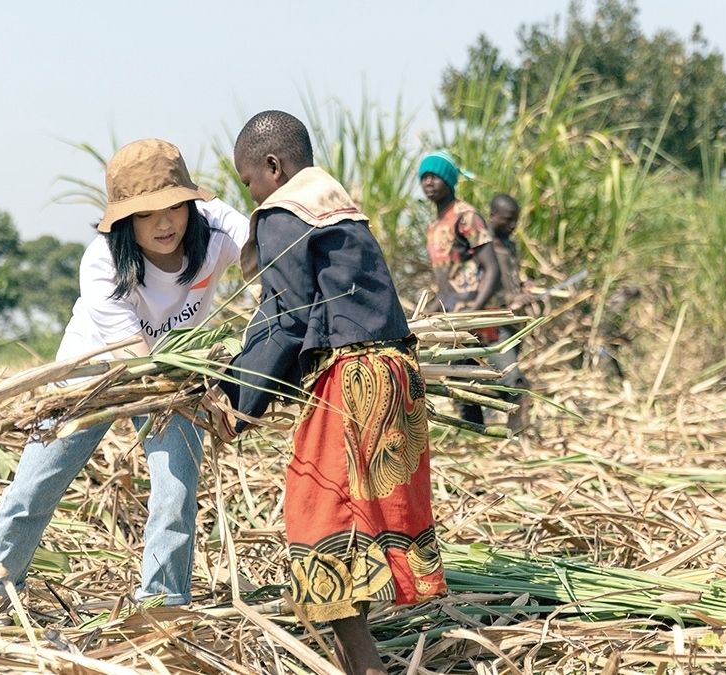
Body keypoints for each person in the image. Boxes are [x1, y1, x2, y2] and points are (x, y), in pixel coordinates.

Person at [0, 139, 249, 624]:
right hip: (95, 374)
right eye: (148, 215)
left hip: (175, 377)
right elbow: (137, 360)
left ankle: (162, 607)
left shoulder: (215, 229)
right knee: (33, 489)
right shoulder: (103, 261)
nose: (166, 224)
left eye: (175, 208)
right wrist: (205, 390)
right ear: (124, 220)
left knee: (175, 494)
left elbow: (271, 249)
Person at [210, 110, 447, 675]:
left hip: (352, 381)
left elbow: (288, 317)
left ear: (273, 166)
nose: (251, 192)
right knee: (364, 520)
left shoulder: (283, 213)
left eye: (249, 180)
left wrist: (237, 398)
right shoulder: (340, 209)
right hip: (396, 375)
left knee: (323, 522)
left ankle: (365, 669)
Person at [418, 151, 500, 425]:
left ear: (449, 180)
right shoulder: (435, 226)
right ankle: (473, 432)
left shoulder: (466, 217)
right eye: (424, 177)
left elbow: (492, 269)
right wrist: (430, 311)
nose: (428, 182)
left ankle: (502, 428)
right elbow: (447, 279)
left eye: (435, 176)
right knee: (457, 378)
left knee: (476, 375)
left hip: (471, 313)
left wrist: (475, 312)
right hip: (450, 314)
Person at [485, 193, 535, 431]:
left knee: (499, 375)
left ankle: (509, 431)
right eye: (508, 220)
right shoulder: (480, 247)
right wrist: (508, 300)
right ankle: (514, 430)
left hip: (512, 323)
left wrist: (523, 289)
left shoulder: (509, 246)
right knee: (509, 378)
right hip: (490, 322)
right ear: (493, 216)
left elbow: (510, 278)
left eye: (516, 219)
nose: (514, 226)